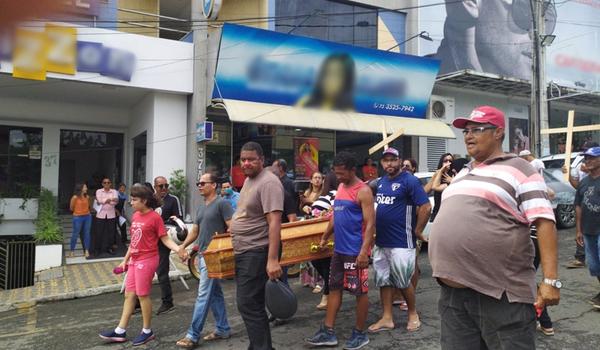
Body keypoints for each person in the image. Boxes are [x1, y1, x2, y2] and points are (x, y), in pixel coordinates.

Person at [428, 106, 560, 349]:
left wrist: (551, 281)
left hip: (500, 296)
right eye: (466, 130)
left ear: (499, 133)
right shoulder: (463, 172)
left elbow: (544, 221)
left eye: (477, 129)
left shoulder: (520, 168)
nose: (468, 135)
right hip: (453, 296)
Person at [99, 184, 186, 346]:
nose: (131, 202)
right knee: (129, 295)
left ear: (144, 201)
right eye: (131, 199)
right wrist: (125, 260)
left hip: (147, 260)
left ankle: (147, 331)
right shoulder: (137, 216)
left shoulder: (155, 218)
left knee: (142, 295)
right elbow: (133, 242)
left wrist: (179, 249)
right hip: (135, 260)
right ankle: (120, 331)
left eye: (134, 200)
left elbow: (165, 239)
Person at [305, 151, 375, 350]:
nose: (339, 177)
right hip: (339, 250)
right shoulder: (341, 188)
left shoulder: (363, 191)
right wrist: (326, 236)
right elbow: (335, 216)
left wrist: (364, 251)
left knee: (360, 292)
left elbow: (370, 224)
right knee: (334, 287)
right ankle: (328, 332)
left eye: (342, 173)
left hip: (356, 251)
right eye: (336, 173)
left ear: (353, 170)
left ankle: (360, 334)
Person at [368, 147, 431, 334]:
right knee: (383, 280)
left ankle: (413, 314)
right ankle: (387, 317)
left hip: (402, 241)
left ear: (399, 160)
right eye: (385, 160)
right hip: (381, 241)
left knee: (403, 281)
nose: (389, 164)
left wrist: (418, 231)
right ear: (381, 163)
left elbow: (426, 207)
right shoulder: (379, 183)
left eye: (393, 160)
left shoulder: (410, 180)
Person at [230, 141, 283, 350]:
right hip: (246, 249)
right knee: (253, 305)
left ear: (261, 160)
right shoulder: (249, 180)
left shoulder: (268, 182)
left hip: (257, 250)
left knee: (248, 304)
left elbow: (275, 222)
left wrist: (272, 260)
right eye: (243, 160)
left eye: (251, 159)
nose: (246, 163)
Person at [176, 173, 233, 348]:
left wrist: (222, 244)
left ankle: (192, 335)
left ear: (213, 185)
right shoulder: (201, 208)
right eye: (198, 183)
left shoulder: (222, 203)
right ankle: (223, 328)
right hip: (202, 255)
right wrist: (183, 246)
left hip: (214, 256)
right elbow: (195, 231)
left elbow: (232, 227)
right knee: (214, 293)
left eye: (203, 183)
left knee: (203, 295)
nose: (199, 185)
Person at [575, 146, 600, 309]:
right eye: (586, 158)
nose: (587, 161)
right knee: (594, 265)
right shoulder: (584, 182)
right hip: (588, 229)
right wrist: (578, 230)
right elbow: (578, 206)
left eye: (591, 158)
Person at [153, 176, 183, 315]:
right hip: (149, 239)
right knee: (142, 271)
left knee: (162, 271)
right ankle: (136, 303)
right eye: (161, 186)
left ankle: (168, 302)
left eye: (166, 185)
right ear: (155, 187)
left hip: (164, 239)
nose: (164, 188)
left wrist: (166, 223)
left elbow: (178, 219)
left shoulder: (173, 200)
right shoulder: (150, 199)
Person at [93, 177, 119, 257]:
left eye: (108, 182)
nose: (106, 184)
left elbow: (116, 202)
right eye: (105, 182)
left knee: (111, 233)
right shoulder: (99, 191)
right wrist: (109, 200)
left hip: (111, 215)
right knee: (99, 233)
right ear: (102, 184)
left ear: (110, 184)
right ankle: (97, 249)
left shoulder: (114, 191)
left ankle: (110, 248)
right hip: (100, 215)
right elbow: (99, 200)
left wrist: (105, 201)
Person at [69, 183, 92, 258]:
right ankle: (72, 251)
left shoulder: (87, 197)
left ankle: (86, 251)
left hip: (87, 216)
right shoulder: (75, 197)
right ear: (81, 188)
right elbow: (71, 208)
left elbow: (89, 206)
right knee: (75, 233)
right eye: (85, 187)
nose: (86, 188)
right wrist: (78, 212)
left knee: (87, 233)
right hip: (77, 217)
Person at [430, 153, 454, 221]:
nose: (448, 163)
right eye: (446, 161)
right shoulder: (438, 174)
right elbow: (433, 186)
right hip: (437, 211)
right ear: (442, 162)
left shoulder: (453, 175)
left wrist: (452, 181)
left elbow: (436, 187)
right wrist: (441, 170)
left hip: (448, 213)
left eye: (450, 161)